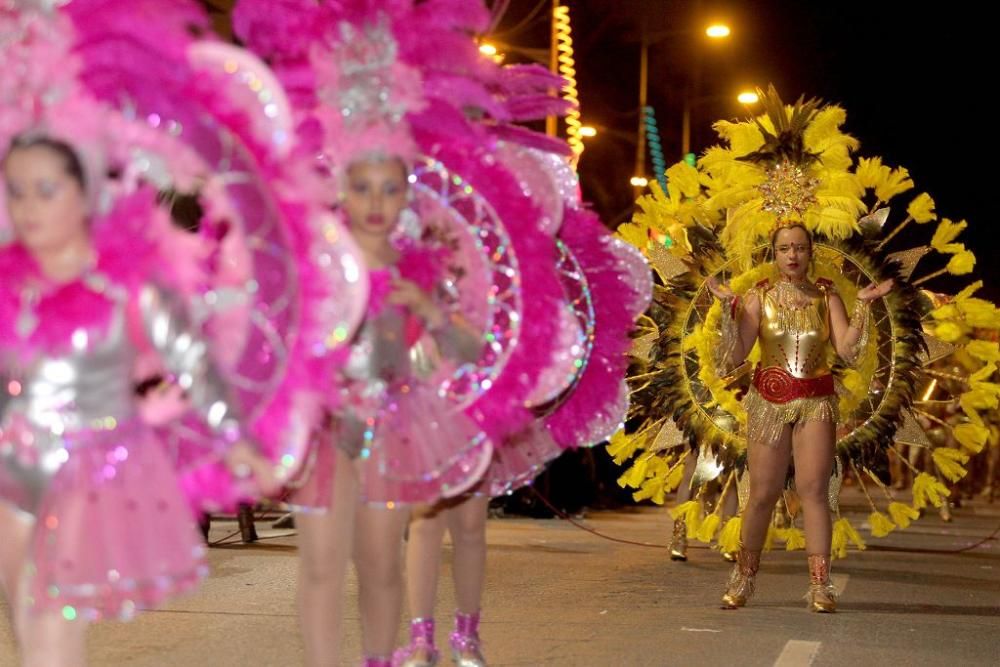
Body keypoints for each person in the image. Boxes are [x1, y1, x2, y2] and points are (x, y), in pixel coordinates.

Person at [708, 222, 892, 612]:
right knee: (762, 494)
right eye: (784, 248)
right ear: (773, 254)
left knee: (814, 491)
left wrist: (863, 305)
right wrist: (727, 308)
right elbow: (734, 356)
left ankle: (820, 587)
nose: (792, 256)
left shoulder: (827, 297)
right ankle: (742, 579)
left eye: (800, 248)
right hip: (768, 403)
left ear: (812, 252)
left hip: (816, 402)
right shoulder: (759, 298)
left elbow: (846, 350)